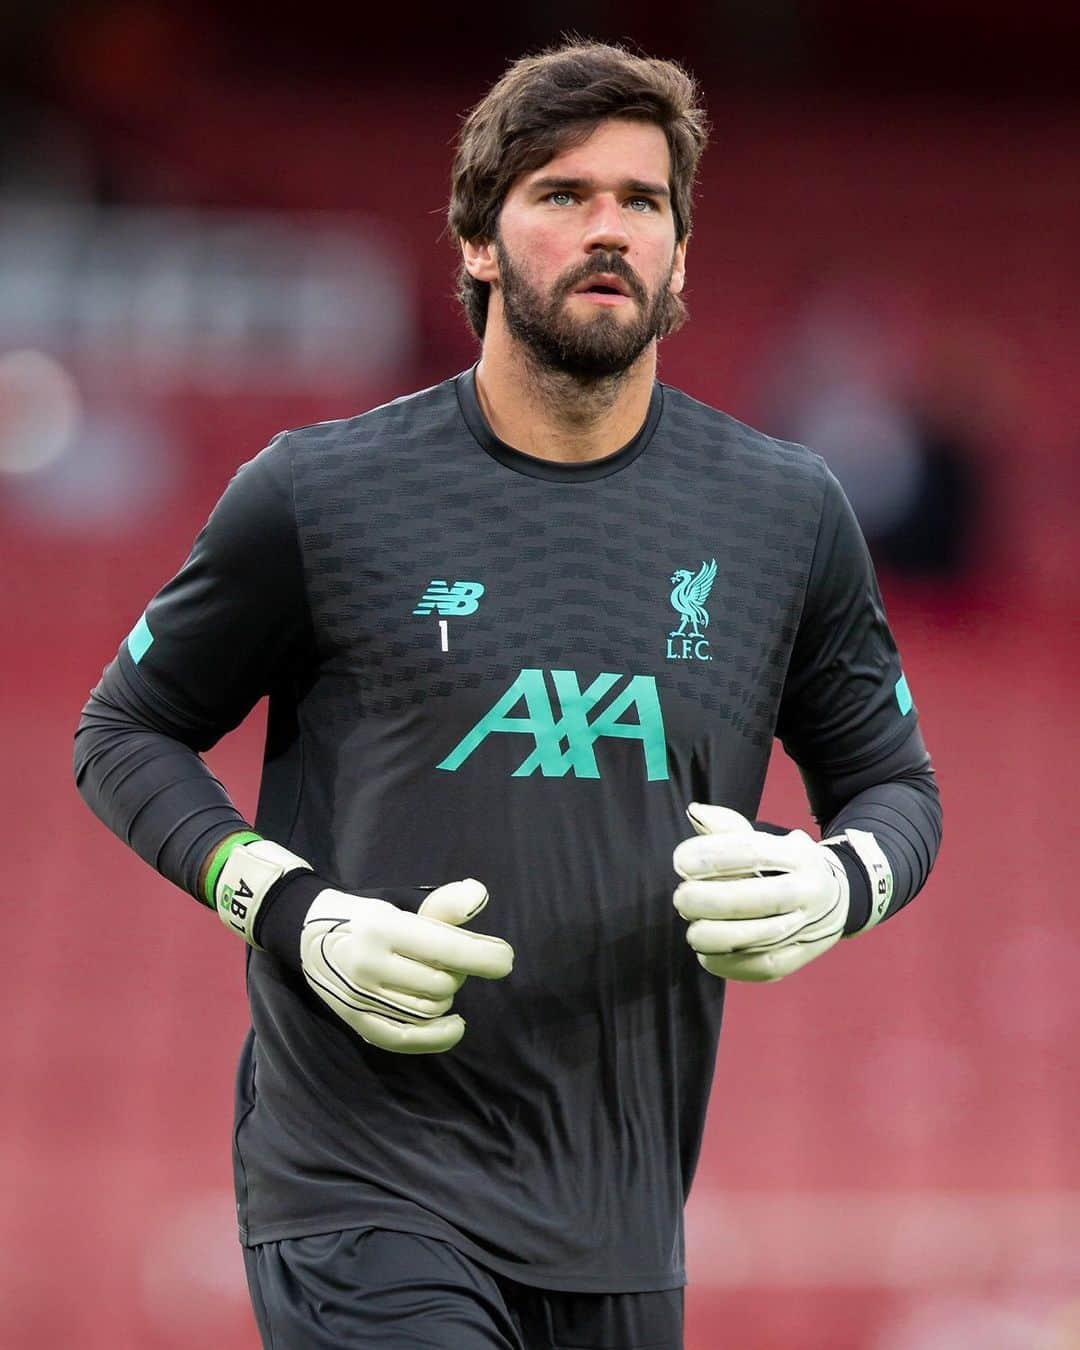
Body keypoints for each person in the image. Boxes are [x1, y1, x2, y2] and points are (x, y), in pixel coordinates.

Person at [74, 40, 942, 1350]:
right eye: (562, 194)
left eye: (642, 202)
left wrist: (845, 880)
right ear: (477, 240)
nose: (608, 229)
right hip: (359, 1185)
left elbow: (895, 784)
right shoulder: (320, 493)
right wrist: (293, 912)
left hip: (621, 1208)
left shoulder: (784, 512)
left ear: (683, 254)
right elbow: (123, 730)